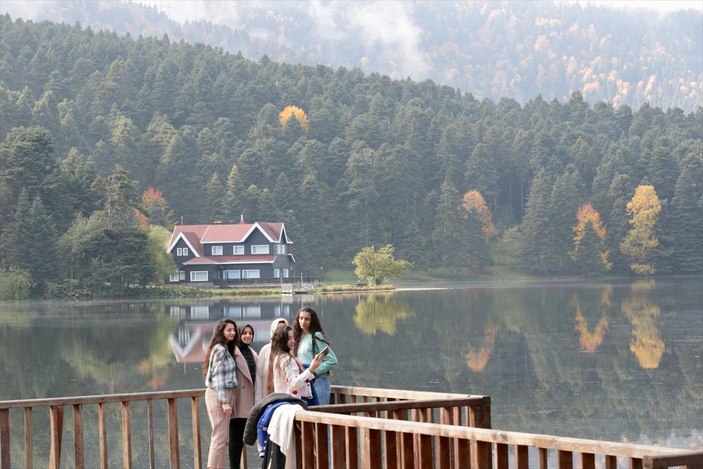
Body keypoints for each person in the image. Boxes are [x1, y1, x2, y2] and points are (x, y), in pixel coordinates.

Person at [203, 319, 238, 469]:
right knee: (218, 437)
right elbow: (217, 377)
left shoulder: (225, 348)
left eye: (233, 330)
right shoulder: (219, 349)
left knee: (223, 438)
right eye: (228, 330)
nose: (232, 332)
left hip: (225, 394)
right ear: (221, 332)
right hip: (219, 396)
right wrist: (224, 401)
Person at [293, 306, 337, 405]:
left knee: (320, 415)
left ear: (312, 321)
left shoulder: (316, 336)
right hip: (304, 383)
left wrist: (314, 371)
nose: (303, 321)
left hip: (318, 382)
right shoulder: (297, 338)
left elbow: (332, 360)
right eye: (301, 318)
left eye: (307, 319)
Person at [229, 324, 258, 469]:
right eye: (244, 333)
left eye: (250, 333)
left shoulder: (252, 352)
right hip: (237, 400)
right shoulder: (232, 351)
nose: (248, 336)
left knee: (244, 437)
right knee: (235, 439)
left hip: (250, 400)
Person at [267, 326, 324, 399]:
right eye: (289, 338)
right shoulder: (286, 359)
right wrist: (311, 369)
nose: (293, 341)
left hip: (284, 401)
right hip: (292, 401)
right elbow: (294, 384)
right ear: (282, 340)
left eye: (293, 337)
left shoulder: (278, 357)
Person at [255, 318, 288, 402]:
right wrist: (258, 398)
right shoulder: (265, 350)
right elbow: (259, 375)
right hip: (266, 393)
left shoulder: (290, 350)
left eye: (283, 328)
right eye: (278, 328)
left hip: (285, 395)